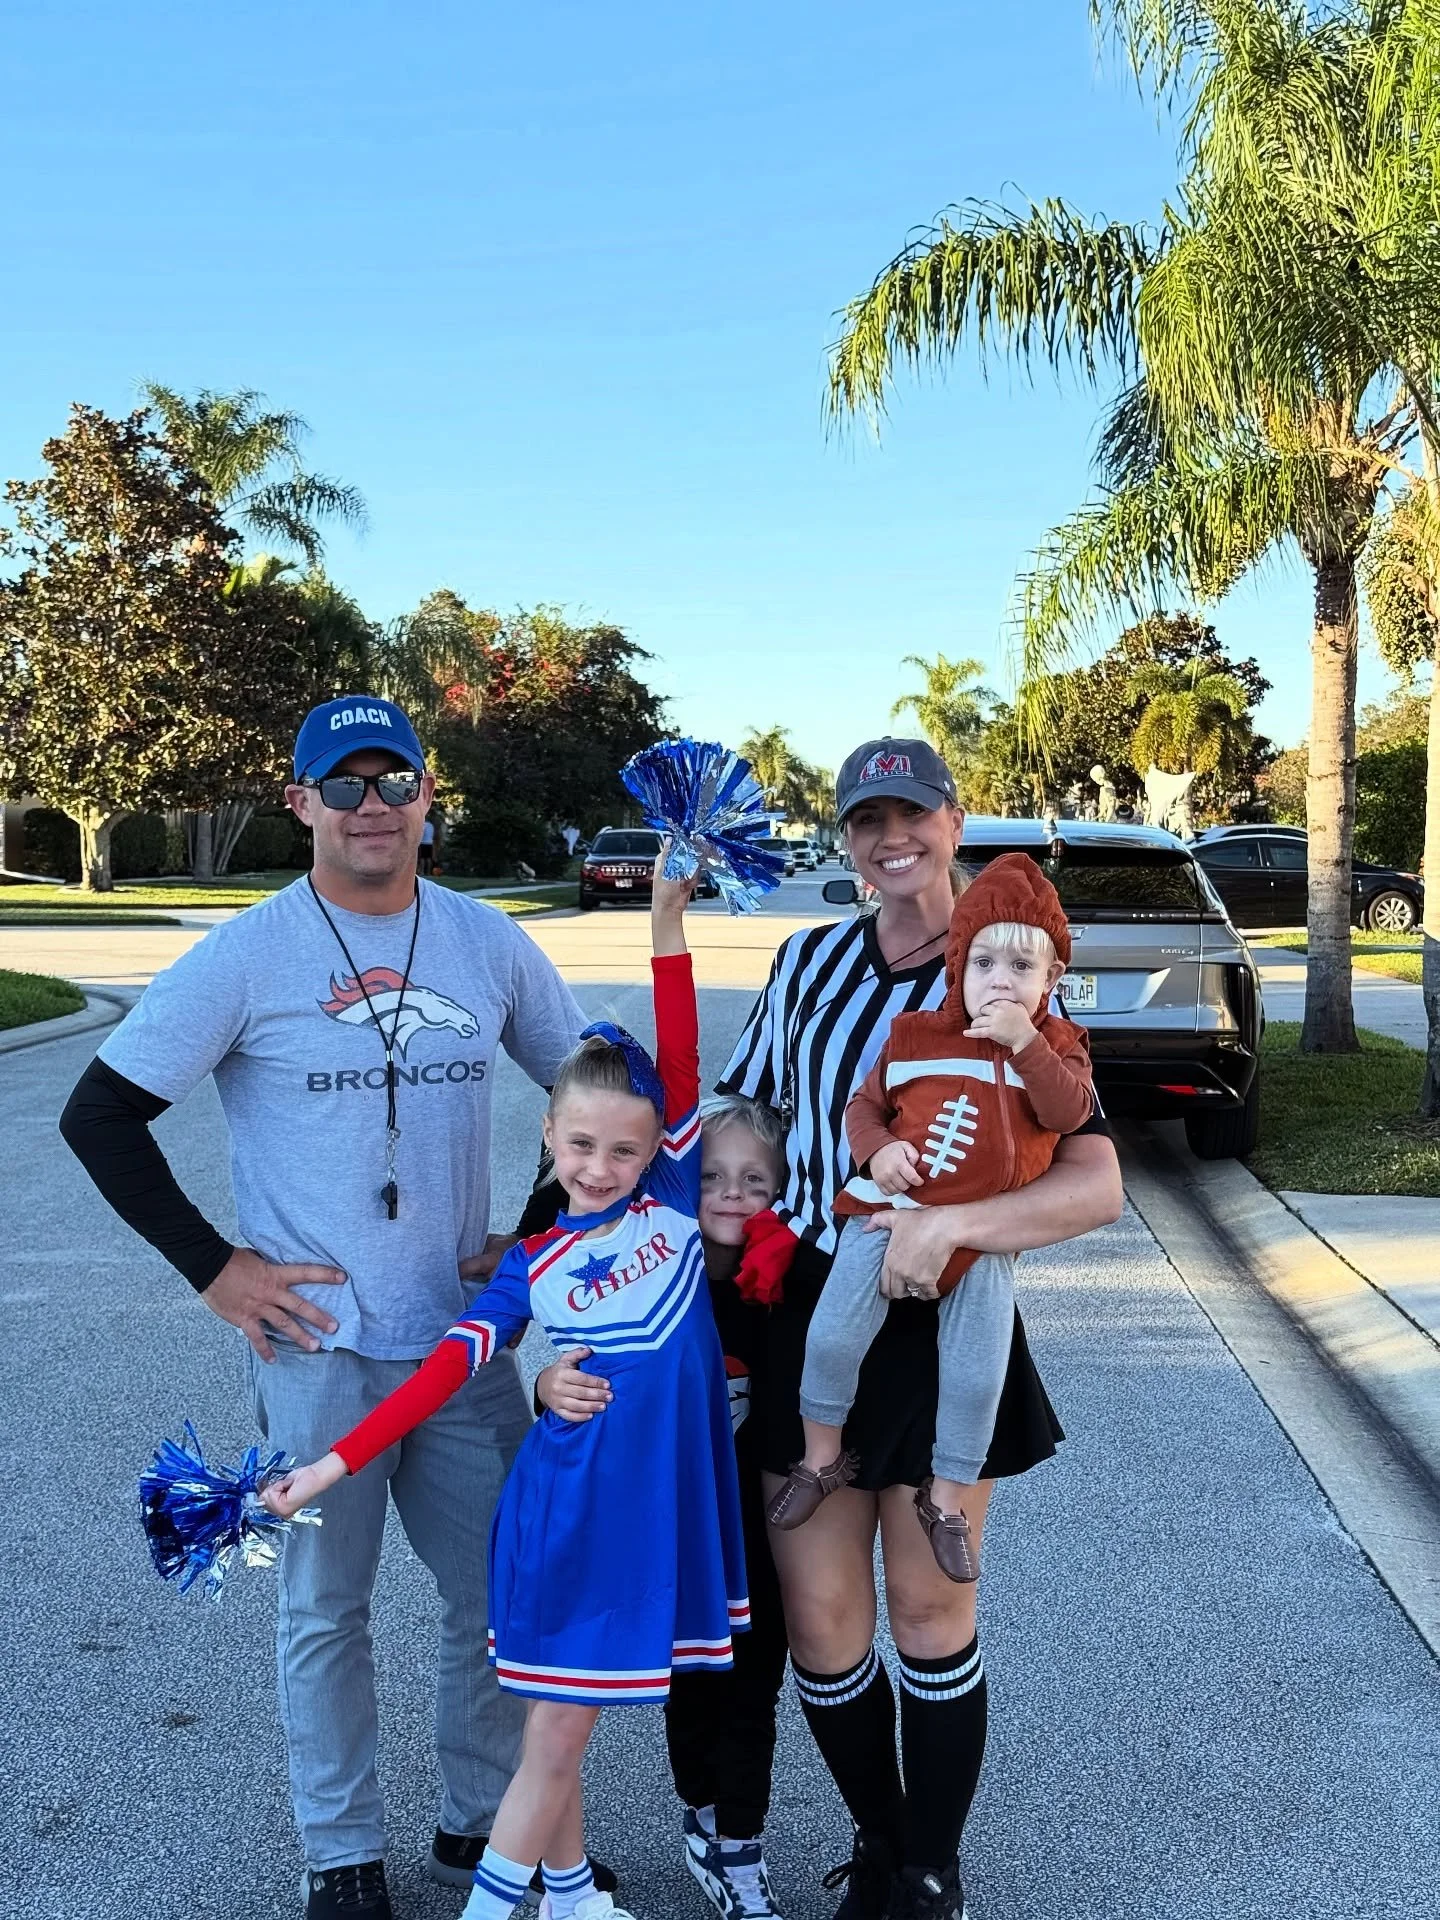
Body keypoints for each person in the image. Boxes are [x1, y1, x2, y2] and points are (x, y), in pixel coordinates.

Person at [59, 695, 603, 1920]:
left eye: (393, 779)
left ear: (426, 797)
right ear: (301, 802)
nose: (372, 804)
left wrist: (539, 1227)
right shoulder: (248, 955)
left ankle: (485, 1827)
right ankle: (341, 1851)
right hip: (322, 1352)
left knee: (498, 1598)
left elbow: (599, 1083)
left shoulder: (487, 944)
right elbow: (98, 1115)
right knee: (325, 1609)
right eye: (343, 784)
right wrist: (216, 1269)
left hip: (468, 1352)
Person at [263, 861, 748, 1920]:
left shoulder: (670, 1198)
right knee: (561, 1729)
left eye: (625, 1147)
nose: (601, 1165)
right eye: (580, 1144)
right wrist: (328, 1466)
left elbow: (679, 1047)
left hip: (650, 1505)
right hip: (564, 1516)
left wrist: (666, 918)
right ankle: (502, 1904)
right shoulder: (527, 1268)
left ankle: (570, 1895)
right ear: (546, 1138)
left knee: (553, 1722)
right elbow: (439, 1373)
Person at [719, 736, 1123, 1920]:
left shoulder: (1009, 978)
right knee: (825, 1621)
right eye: (865, 821)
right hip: (814, 1310)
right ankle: (882, 1844)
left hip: (949, 1319)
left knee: (932, 1607)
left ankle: (933, 1871)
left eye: (912, 814)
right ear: (845, 839)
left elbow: (1094, 1182)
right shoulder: (804, 968)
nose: (890, 839)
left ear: (953, 821)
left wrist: (955, 1230)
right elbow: (744, 1119)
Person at [766, 853, 1093, 1583]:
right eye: (982, 963)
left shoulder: (1061, 1049)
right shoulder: (915, 1037)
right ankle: (821, 1458)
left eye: (1020, 965)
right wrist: (877, 1152)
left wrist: (1028, 1045)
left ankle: (945, 1500)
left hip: (979, 1241)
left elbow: (1068, 1115)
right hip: (883, 1214)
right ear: (958, 968)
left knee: (978, 1377)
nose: (999, 980)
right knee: (830, 1338)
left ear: (1051, 982)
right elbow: (862, 1107)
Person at [535, 1093, 792, 1920]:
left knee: (758, 1669)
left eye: (756, 1179)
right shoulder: (649, 1268)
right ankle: (702, 1809)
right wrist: (548, 1384)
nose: (730, 1192)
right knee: (692, 1672)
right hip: (664, 1512)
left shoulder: (786, 1281)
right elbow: (574, 1357)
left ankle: (741, 1846)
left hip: (757, 1510)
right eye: (712, 1174)